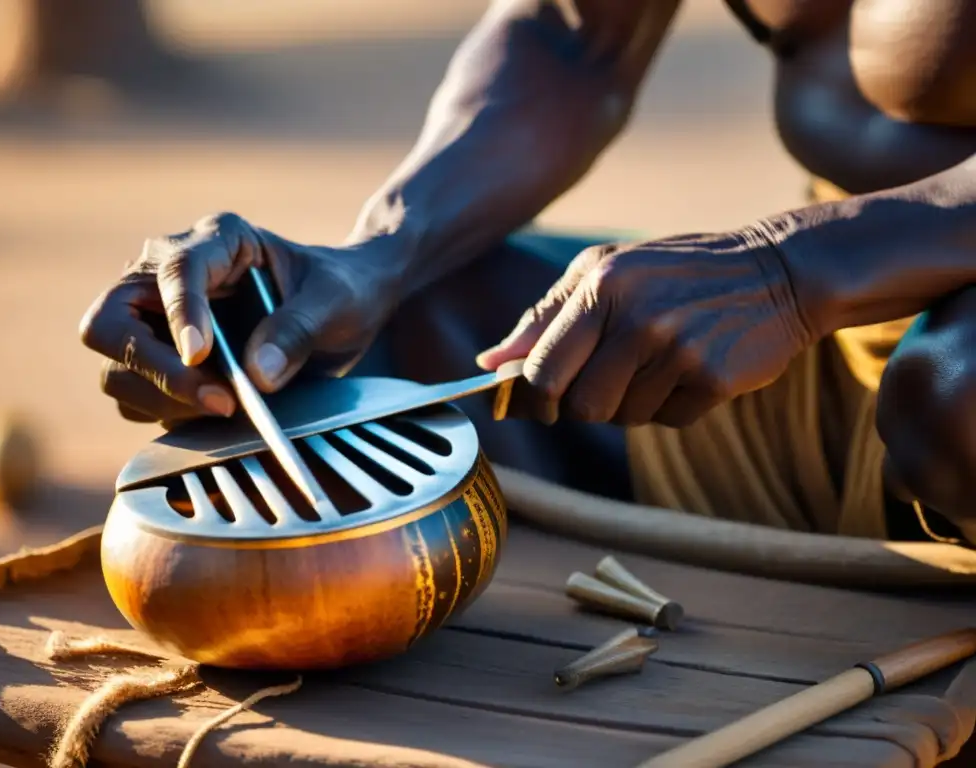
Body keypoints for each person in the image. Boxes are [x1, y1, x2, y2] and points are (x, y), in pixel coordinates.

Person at [78, 0, 976, 545]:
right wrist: (379, 257)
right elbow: (575, 34)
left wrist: (787, 270)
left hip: (936, 383)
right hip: (821, 357)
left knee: (956, 390)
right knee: (361, 353)